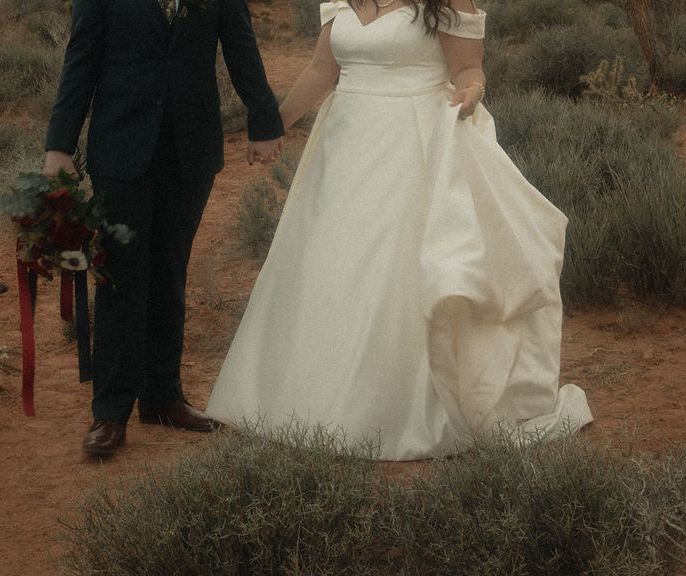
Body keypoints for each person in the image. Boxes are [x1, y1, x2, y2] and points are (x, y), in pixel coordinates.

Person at [205, 0, 593, 460]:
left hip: (413, 147)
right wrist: (272, 125)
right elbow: (319, 70)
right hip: (345, 147)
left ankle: (386, 409)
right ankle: (307, 399)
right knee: (330, 267)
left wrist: (472, 92)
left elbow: (470, 69)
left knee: (393, 271)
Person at [44, 0, 284, 457]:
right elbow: (81, 60)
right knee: (120, 277)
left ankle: (161, 397)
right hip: (121, 146)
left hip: (190, 147)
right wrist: (60, 144)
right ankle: (111, 412)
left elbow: (240, 45)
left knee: (171, 271)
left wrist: (263, 117)